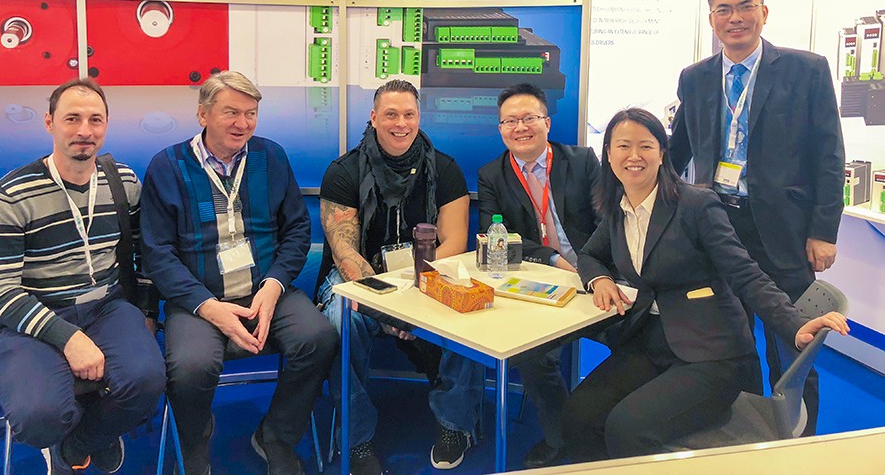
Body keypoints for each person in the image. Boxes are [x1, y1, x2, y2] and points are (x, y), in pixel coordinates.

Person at [562, 108, 849, 461]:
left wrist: (794, 323)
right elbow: (589, 255)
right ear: (608, 154)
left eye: (645, 146)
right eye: (623, 146)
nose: (634, 156)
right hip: (652, 343)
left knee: (626, 428)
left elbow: (745, 272)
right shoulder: (618, 209)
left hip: (713, 353)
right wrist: (600, 279)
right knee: (579, 414)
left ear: (662, 153)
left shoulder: (695, 204)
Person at [669, 0, 845, 434]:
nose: (735, 18)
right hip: (716, 225)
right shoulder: (695, 78)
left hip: (783, 231)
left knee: (792, 340)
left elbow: (829, 154)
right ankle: (738, 430)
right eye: (723, 9)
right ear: (711, 19)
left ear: (763, 12)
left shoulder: (806, 70)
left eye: (745, 7)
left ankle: (800, 439)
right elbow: (677, 150)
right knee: (730, 337)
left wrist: (823, 231)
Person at [140, 71, 337, 475]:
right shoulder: (167, 166)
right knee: (190, 367)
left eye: (250, 113)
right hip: (198, 301)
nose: (242, 123)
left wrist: (274, 285)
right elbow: (157, 253)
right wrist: (207, 306)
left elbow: (297, 229)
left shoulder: (270, 156)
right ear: (203, 115)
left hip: (267, 290)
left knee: (319, 338)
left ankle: (276, 436)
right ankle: (194, 444)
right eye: (231, 112)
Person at [0, 78, 165, 474]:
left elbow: (146, 255)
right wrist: (68, 338)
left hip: (106, 307)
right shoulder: (9, 196)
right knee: (38, 415)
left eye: (95, 119)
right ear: (49, 122)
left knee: (148, 381)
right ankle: (66, 434)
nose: (85, 130)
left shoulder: (123, 182)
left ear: (106, 125)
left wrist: (147, 311)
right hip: (33, 316)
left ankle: (81, 442)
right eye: (72, 118)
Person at [316, 80, 478, 474]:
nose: (400, 123)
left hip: (428, 277)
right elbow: (344, 253)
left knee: (469, 314)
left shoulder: (445, 169)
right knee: (341, 321)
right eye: (391, 114)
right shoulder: (343, 171)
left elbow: (454, 243)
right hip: (359, 282)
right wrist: (388, 308)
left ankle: (455, 423)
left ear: (419, 118)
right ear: (374, 118)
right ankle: (356, 438)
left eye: (408, 114)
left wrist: (412, 300)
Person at [477, 83, 601, 468]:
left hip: (598, 277)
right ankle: (561, 439)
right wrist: (554, 260)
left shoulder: (582, 161)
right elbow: (496, 241)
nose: (520, 127)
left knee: (639, 338)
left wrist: (591, 268)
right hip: (542, 283)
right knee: (533, 358)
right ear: (500, 129)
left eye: (529, 118)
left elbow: (608, 223)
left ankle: (614, 428)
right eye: (510, 121)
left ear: (547, 122)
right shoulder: (491, 175)